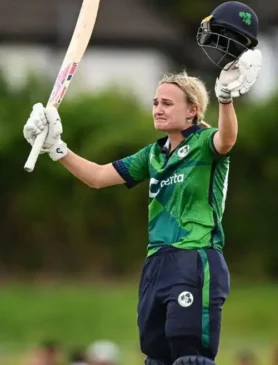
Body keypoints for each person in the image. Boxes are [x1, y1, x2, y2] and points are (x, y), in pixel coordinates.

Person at [21, 4, 262, 364]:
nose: (158, 109)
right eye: (155, 103)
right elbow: (99, 177)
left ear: (193, 110)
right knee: (156, 356)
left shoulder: (205, 142)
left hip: (195, 258)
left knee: (189, 355)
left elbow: (227, 140)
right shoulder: (152, 154)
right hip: (156, 264)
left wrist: (226, 98)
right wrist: (57, 148)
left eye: (167, 103)